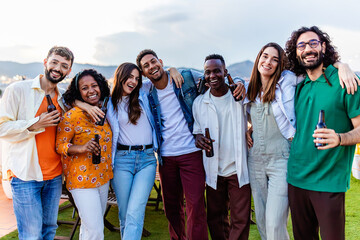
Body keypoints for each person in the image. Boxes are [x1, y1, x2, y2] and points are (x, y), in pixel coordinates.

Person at [246, 42, 359, 240]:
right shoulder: (248, 89)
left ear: (281, 65)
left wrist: (343, 66)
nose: (268, 62)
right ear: (258, 59)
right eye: (265, 56)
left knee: (274, 224)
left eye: (275, 59)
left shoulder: (289, 80)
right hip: (255, 160)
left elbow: (316, 68)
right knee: (263, 224)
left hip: (281, 159)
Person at [285, 26, 360, 240]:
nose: (307, 49)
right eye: (301, 45)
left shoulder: (345, 82)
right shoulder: (298, 85)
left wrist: (340, 138)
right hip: (296, 179)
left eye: (313, 43)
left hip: (329, 181)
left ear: (323, 46)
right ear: (296, 52)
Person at [0, 46, 73, 239]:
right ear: (45, 63)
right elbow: (2, 128)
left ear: (69, 71)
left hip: (55, 176)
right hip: (25, 175)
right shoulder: (17, 90)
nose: (58, 68)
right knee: (31, 235)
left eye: (64, 65)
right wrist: (35, 124)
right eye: (54, 62)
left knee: (49, 229)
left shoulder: (64, 97)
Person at [136, 49, 208, 240]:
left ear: (160, 61)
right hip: (166, 157)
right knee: (172, 209)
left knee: (196, 206)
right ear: (143, 73)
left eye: (153, 62)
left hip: (192, 152)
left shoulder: (185, 77)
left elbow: (215, 78)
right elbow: (119, 89)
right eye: (146, 66)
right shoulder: (145, 90)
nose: (151, 67)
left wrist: (241, 82)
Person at [193, 54, 251, 240]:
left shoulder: (240, 97)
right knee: (216, 219)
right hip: (214, 170)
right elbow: (197, 132)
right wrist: (198, 139)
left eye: (217, 71)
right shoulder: (199, 103)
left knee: (240, 219)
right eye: (208, 72)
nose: (212, 76)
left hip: (237, 169)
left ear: (225, 72)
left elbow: (255, 116)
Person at [56, 69, 113, 240]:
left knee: (89, 229)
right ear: (78, 92)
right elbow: (60, 145)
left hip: (103, 177)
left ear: (101, 87)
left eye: (94, 86)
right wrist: (81, 148)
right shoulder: (72, 115)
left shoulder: (105, 110)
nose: (91, 91)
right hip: (81, 180)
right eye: (85, 88)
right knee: (95, 230)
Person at [106, 63, 157, 240]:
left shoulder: (143, 93)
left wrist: (173, 70)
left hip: (147, 160)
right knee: (125, 213)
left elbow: (162, 77)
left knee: (135, 210)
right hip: (121, 161)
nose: (134, 81)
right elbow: (70, 98)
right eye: (130, 77)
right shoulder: (108, 102)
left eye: (137, 78)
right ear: (120, 76)